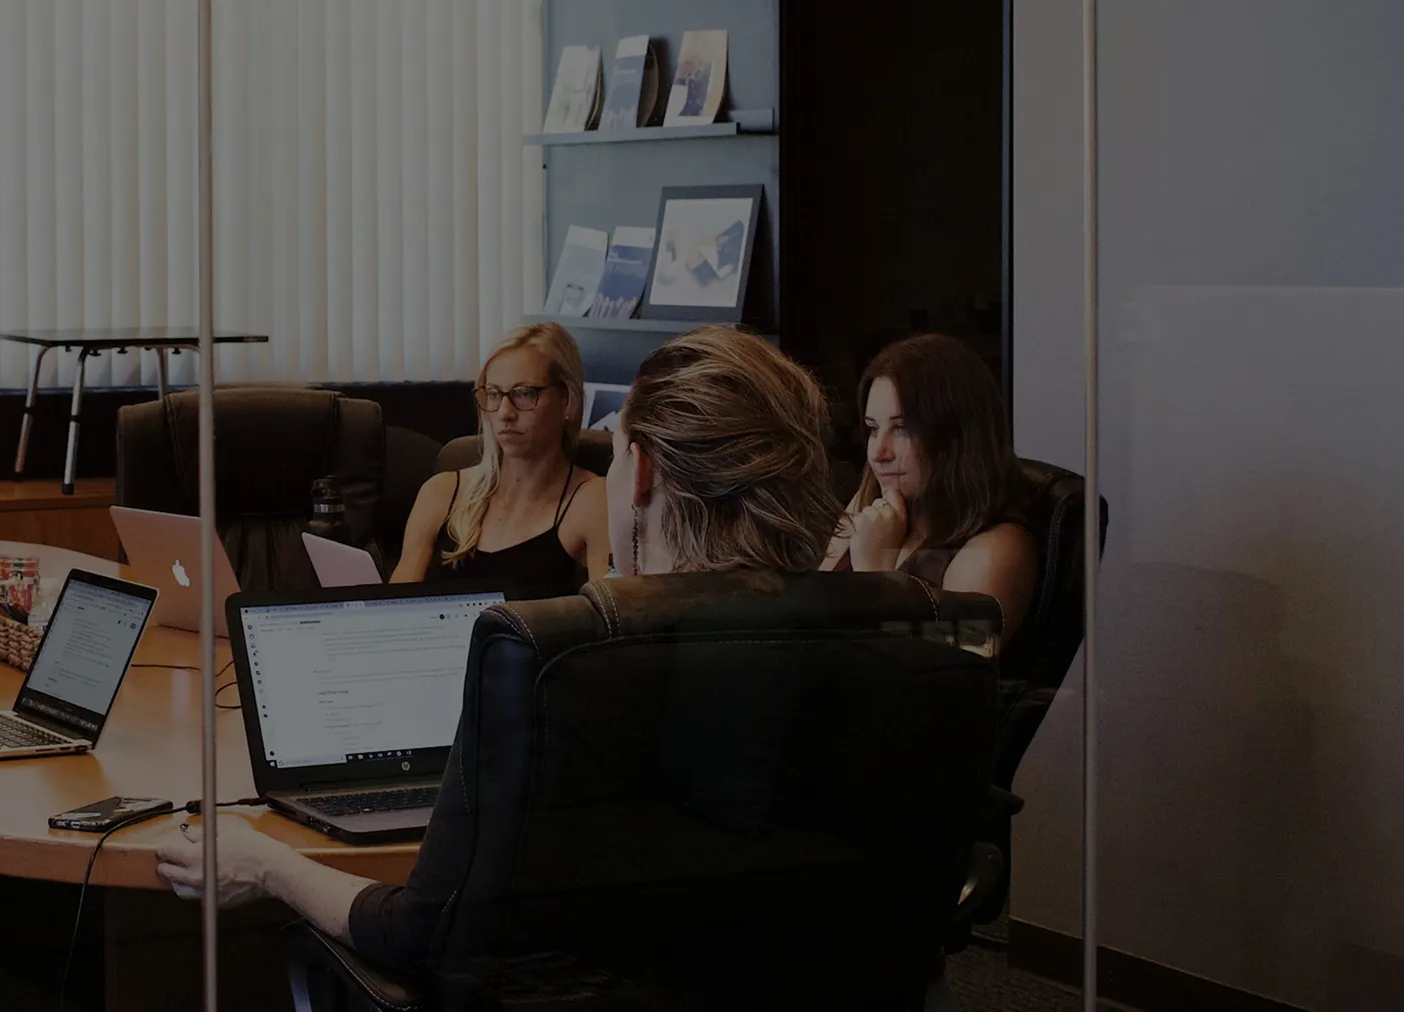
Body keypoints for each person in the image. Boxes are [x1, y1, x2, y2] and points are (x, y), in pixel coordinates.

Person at [156, 325, 843, 970]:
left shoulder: (558, 683)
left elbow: (418, 929)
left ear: (637, 478)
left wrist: (265, 863)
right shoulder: (898, 650)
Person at [819, 334, 1039, 635]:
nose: (878, 453)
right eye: (872, 429)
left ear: (956, 436)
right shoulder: (872, 500)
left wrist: (877, 576)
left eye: (902, 428)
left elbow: (940, 675)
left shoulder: (995, 552)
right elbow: (811, 622)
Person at [390, 322, 610, 597]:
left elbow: (614, 622)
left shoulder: (592, 500)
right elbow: (393, 611)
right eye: (494, 394)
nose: (505, 412)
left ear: (568, 400)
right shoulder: (441, 492)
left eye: (524, 393)